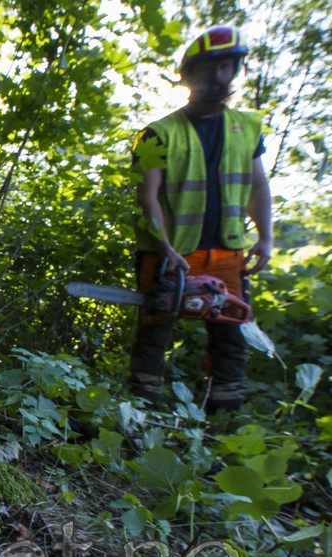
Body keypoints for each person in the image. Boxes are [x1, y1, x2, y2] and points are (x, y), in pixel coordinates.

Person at [129, 26, 273, 413]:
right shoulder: (157, 134)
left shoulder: (248, 128)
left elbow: (259, 187)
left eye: (227, 67)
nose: (220, 77)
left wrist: (266, 237)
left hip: (228, 253)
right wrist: (166, 250)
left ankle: (222, 425)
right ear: (191, 74)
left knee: (232, 339)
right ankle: (140, 420)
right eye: (212, 69)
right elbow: (147, 198)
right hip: (170, 255)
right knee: (153, 337)